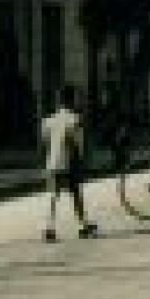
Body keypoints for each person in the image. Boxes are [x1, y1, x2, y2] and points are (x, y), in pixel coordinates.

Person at [39, 86, 100, 242]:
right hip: (69, 162)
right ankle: (83, 225)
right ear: (71, 101)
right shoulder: (74, 120)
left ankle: (49, 227)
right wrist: (83, 159)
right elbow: (78, 143)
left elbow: (45, 142)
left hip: (53, 162)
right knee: (76, 194)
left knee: (53, 195)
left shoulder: (48, 121)